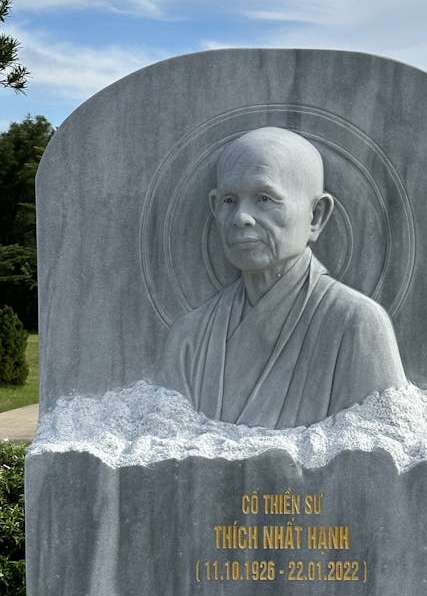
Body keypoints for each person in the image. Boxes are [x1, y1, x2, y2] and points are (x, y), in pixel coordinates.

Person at [160, 127, 406, 428]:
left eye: (264, 198)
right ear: (214, 207)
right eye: (228, 200)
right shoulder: (190, 337)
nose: (241, 217)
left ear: (316, 216)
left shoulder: (356, 325)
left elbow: (375, 454)